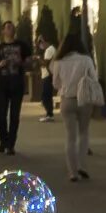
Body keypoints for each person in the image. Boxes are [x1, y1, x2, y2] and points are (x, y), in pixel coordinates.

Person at [52, 31, 99, 182]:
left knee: (70, 136)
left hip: (67, 100)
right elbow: (94, 77)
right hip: (84, 99)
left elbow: (55, 83)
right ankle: (82, 166)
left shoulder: (59, 61)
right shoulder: (86, 60)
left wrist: (65, 87)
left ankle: (72, 172)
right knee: (84, 133)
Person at [0, 21, 32, 155]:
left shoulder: (22, 45)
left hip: (17, 84)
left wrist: (22, 62)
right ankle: (3, 141)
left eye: (12, 28)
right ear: (3, 31)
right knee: (1, 115)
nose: (10, 30)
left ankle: (11, 144)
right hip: (3, 84)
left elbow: (29, 61)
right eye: (7, 28)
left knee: (14, 116)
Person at [36, 35, 58, 123]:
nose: (40, 45)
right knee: (47, 95)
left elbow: (45, 63)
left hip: (48, 76)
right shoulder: (51, 49)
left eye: (40, 43)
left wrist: (38, 59)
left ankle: (49, 114)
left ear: (44, 41)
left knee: (46, 96)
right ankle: (49, 113)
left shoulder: (49, 50)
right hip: (48, 75)